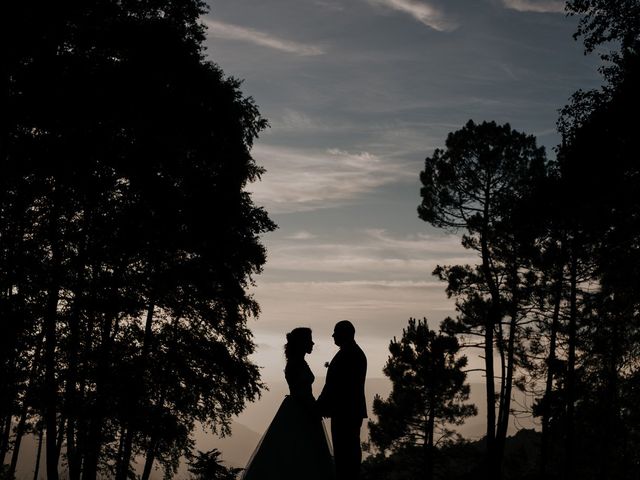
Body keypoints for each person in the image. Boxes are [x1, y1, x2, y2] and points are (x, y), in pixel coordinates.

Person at [242, 327, 335, 480]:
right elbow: (300, 393)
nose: (312, 343)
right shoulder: (295, 364)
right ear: (302, 343)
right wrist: (314, 410)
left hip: (301, 408)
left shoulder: (298, 362)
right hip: (301, 411)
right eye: (309, 340)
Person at [317, 320, 367, 480]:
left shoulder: (348, 354)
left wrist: (319, 406)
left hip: (345, 412)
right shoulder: (354, 353)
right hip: (350, 412)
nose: (333, 335)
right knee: (348, 451)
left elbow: (334, 385)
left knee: (344, 453)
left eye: (335, 332)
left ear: (344, 334)